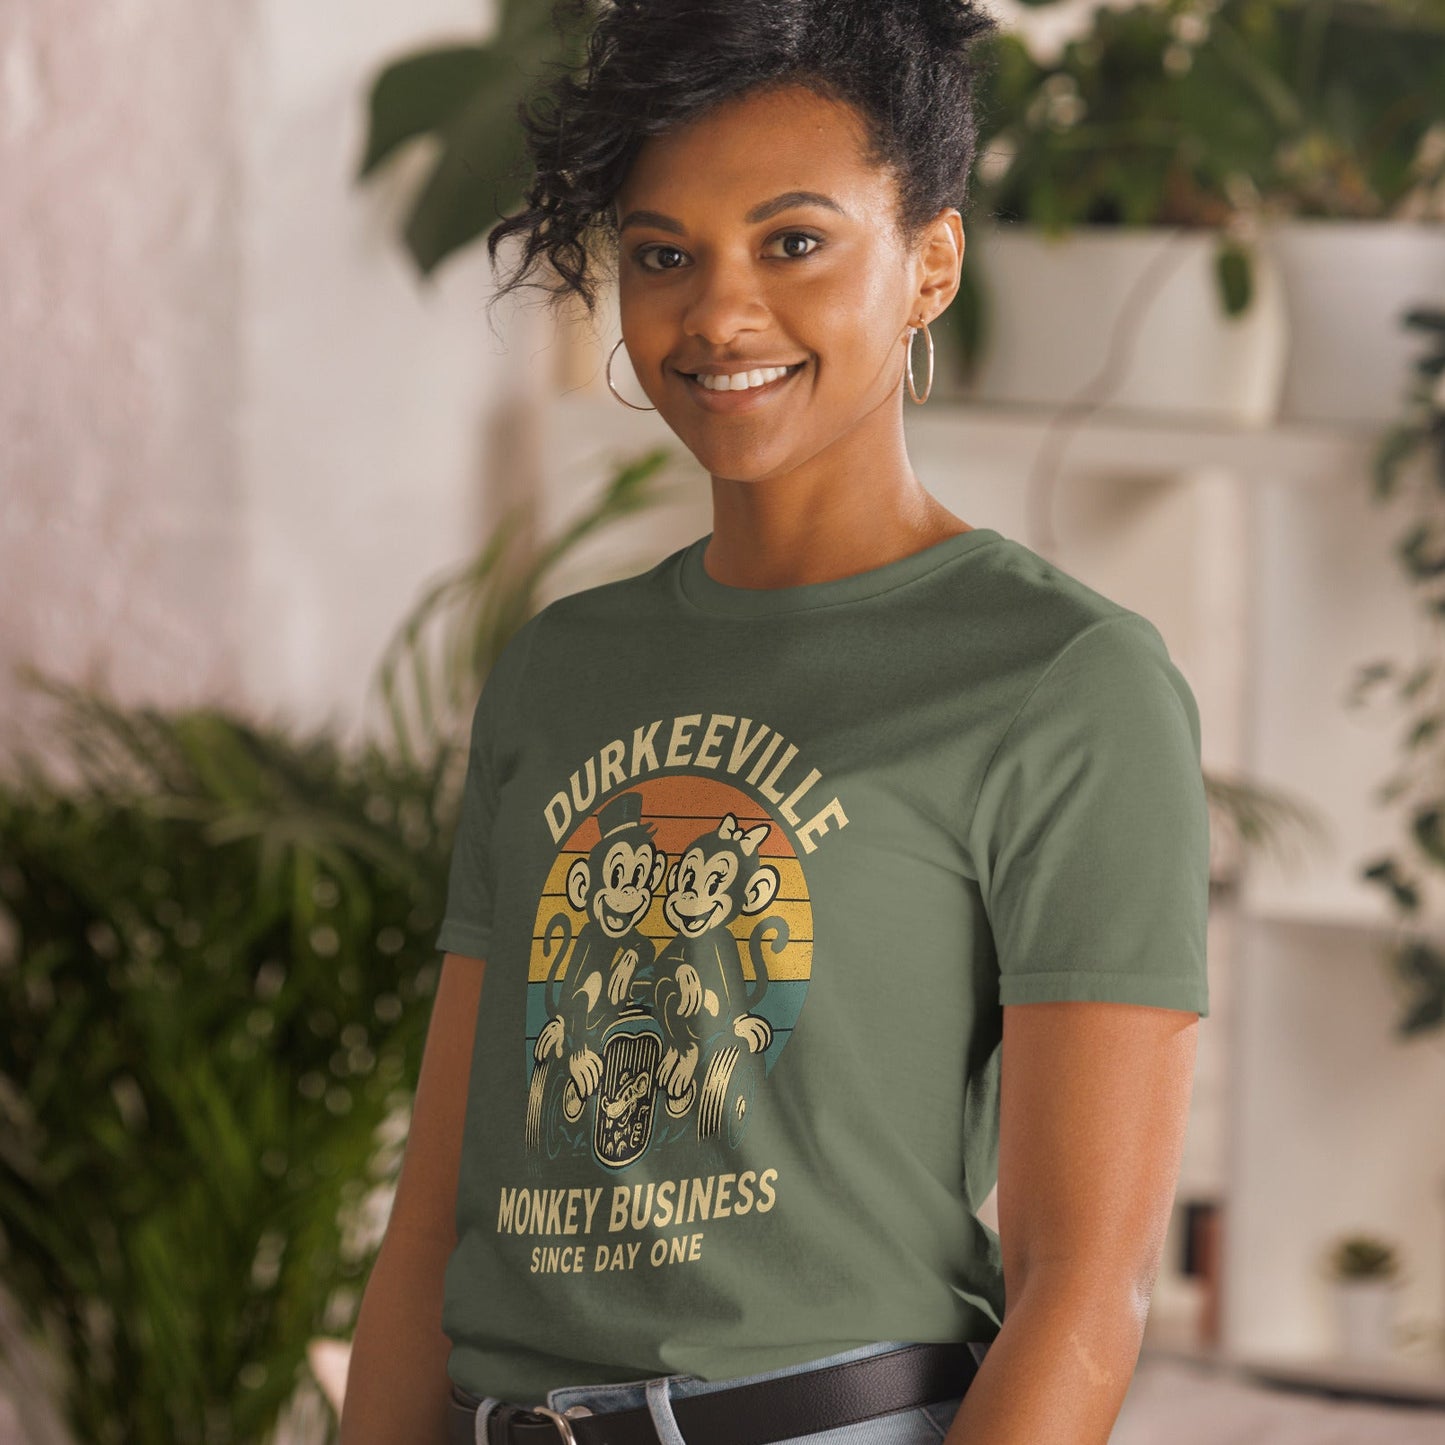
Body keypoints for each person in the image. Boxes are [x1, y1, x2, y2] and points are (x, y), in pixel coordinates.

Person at [339, 1, 1211, 1442]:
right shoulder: (562, 670)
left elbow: (1084, 1290)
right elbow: (435, 1219)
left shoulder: (1062, 677)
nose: (718, 312)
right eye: (663, 255)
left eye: (792, 243)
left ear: (929, 261)